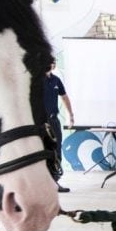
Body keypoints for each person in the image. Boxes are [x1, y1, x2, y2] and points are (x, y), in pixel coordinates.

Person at [44, 57, 75, 192]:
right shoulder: (36, 80)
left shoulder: (56, 80)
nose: (51, 65)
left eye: (53, 63)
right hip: (40, 122)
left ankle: (55, 182)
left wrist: (71, 115)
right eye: (49, 62)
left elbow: (64, 97)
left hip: (54, 120)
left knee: (56, 151)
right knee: (41, 151)